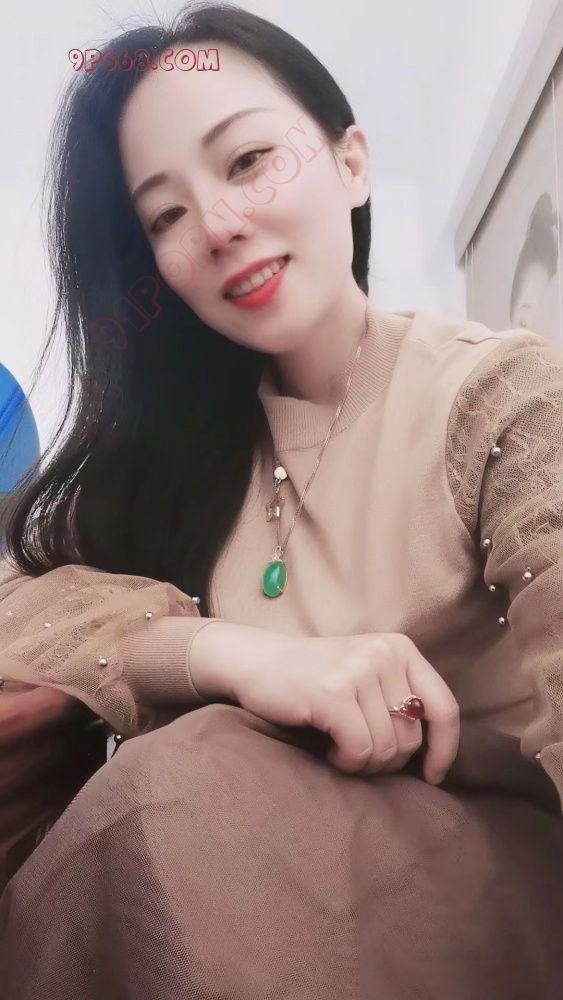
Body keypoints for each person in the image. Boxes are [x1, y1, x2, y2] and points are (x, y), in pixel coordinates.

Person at [1, 2, 563, 996]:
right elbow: (22, 610)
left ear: (350, 162)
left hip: (485, 902)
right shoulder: (180, 457)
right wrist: (228, 654)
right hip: (235, 919)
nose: (218, 226)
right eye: (165, 216)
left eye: (248, 160)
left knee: (176, 784)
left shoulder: (501, 398)